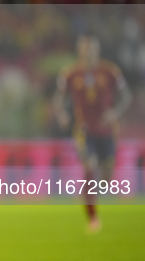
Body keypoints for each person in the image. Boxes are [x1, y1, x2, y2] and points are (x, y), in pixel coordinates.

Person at [53, 34, 131, 233]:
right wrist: (62, 113)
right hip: (83, 129)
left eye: (91, 48)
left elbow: (126, 96)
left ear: (98, 49)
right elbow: (59, 98)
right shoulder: (70, 73)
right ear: (80, 50)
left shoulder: (110, 71)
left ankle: (89, 194)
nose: (88, 52)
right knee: (90, 166)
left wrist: (114, 112)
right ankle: (93, 218)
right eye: (85, 48)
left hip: (107, 129)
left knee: (105, 177)